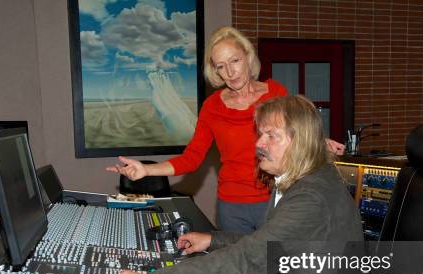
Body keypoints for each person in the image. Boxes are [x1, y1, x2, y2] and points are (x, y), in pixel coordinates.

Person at [99, 95, 374, 274]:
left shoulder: (311, 195)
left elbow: (252, 257)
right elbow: (273, 244)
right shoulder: (304, 178)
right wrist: (212, 240)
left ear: (299, 141)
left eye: (271, 136)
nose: (259, 143)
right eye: (260, 133)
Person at [107, 27, 288, 233]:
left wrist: (317, 142)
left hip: (275, 200)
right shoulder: (212, 106)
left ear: (248, 57)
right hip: (232, 207)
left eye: (235, 61)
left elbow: (295, 135)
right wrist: (147, 170)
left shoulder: (276, 93)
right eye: (221, 66)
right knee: (236, 265)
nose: (230, 72)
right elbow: (191, 158)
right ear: (216, 71)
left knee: (276, 262)